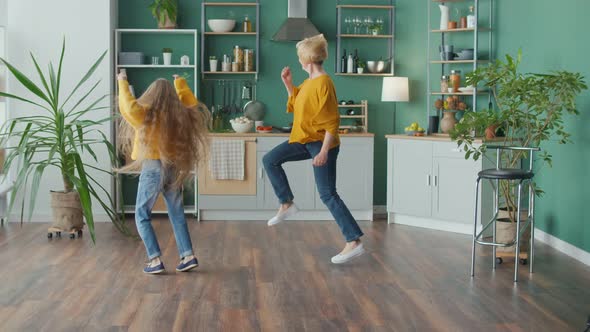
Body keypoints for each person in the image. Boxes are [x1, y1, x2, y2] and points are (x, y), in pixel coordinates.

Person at [262, 34, 365, 264]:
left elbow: (332, 122)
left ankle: (354, 241)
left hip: (320, 143)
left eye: (300, 58)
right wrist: (289, 85)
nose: (298, 62)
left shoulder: (324, 83)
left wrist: (324, 151)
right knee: (270, 159)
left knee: (327, 193)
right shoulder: (309, 83)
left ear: (308, 60)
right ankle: (286, 203)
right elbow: (296, 104)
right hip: (304, 140)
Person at [117, 71, 210, 274]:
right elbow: (191, 104)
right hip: (173, 167)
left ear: (152, 95)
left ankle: (154, 260)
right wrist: (180, 83)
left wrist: (122, 82)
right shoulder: (179, 116)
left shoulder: (146, 114)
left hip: (153, 167)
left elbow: (128, 107)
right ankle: (188, 256)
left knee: (142, 215)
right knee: (177, 213)